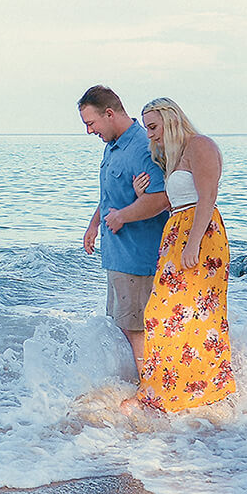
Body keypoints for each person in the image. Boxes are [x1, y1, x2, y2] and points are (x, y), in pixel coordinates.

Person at [131, 97, 236, 412]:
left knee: (180, 313)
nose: (149, 134)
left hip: (199, 234)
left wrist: (193, 243)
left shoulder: (200, 145)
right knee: (172, 314)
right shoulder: (175, 156)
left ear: (171, 119)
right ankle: (180, 389)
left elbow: (208, 196)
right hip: (177, 232)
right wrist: (141, 195)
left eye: (153, 127)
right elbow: (173, 200)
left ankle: (184, 392)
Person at [78, 85, 169, 374]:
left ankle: (149, 391)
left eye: (91, 123)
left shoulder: (143, 147)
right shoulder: (113, 146)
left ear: (109, 113)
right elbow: (111, 195)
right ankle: (133, 385)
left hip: (138, 257)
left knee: (137, 330)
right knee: (120, 327)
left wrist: (122, 218)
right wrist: (94, 224)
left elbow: (160, 198)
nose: (89, 131)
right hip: (117, 257)